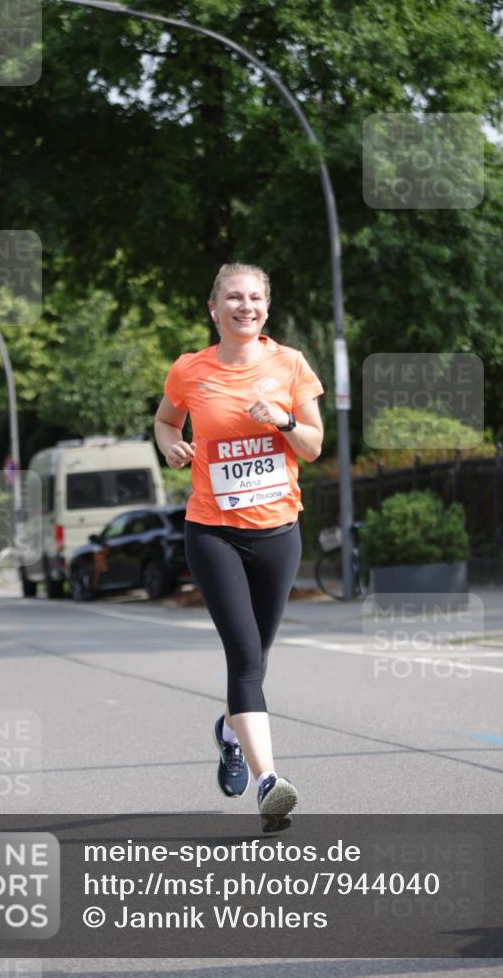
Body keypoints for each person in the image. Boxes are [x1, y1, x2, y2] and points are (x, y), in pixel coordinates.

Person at [154, 263, 324, 826]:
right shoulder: (189, 370)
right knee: (245, 658)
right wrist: (172, 443)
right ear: (214, 308)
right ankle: (269, 781)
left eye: (254, 298)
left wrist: (281, 420)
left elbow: (314, 445)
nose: (244, 305)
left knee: (260, 654)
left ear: (266, 309)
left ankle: (229, 731)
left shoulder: (291, 364)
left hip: (278, 531)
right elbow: (164, 421)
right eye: (233, 297)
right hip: (213, 532)